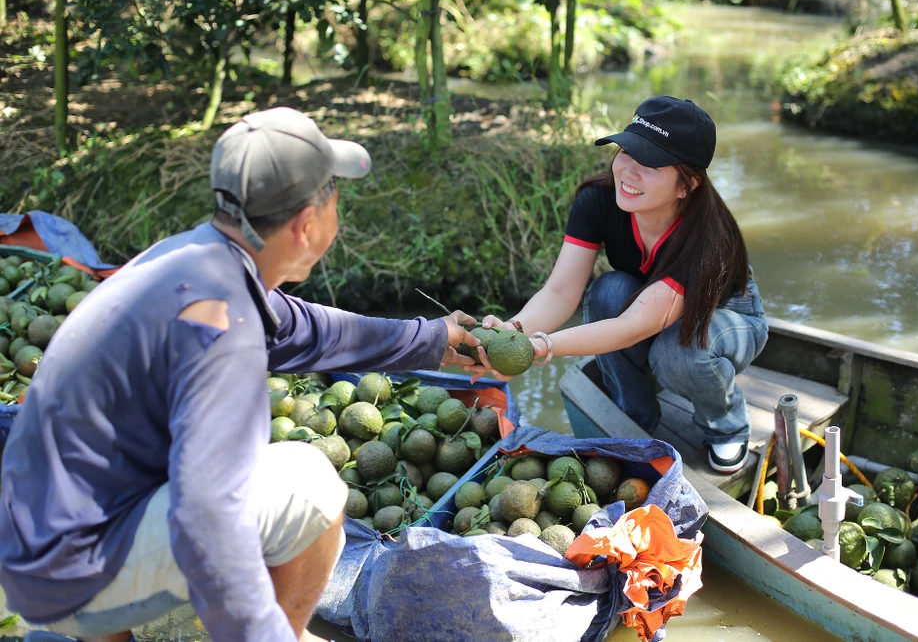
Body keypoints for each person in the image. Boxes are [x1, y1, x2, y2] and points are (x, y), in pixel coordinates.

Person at [0, 107, 491, 642]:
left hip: (33, 539)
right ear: (308, 224)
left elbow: (311, 329)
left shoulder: (195, 257)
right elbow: (211, 522)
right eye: (334, 198)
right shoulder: (223, 327)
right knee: (311, 481)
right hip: (67, 574)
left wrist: (431, 339)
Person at [483, 96, 768, 474]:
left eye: (650, 163)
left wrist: (538, 348)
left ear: (688, 184)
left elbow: (632, 326)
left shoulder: (708, 239)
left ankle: (726, 423)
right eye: (626, 151)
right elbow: (559, 292)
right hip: (650, 305)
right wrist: (512, 331)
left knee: (676, 354)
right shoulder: (597, 200)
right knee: (607, 292)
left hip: (728, 320)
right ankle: (635, 413)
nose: (628, 171)